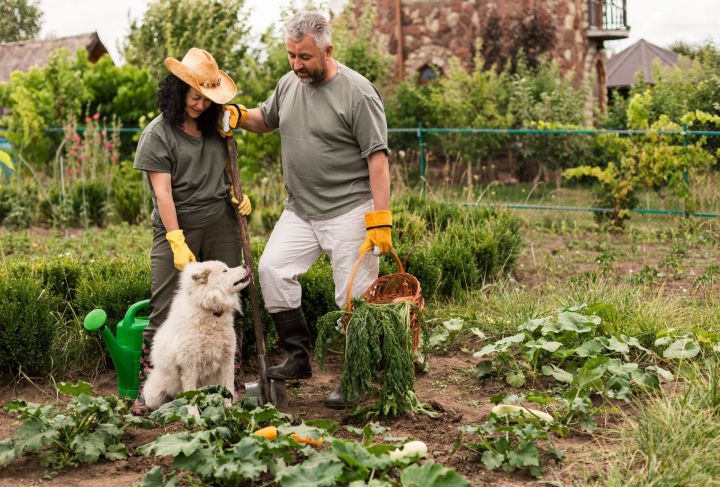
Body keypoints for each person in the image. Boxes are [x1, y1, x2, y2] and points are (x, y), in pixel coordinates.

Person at [219, 11, 392, 409]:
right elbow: (268, 119)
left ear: (328, 50)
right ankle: (298, 358)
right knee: (272, 269)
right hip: (301, 209)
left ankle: (359, 377)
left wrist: (379, 220)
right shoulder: (288, 84)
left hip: (350, 208)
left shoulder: (358, 93)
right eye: (291, 56)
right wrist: (242, 116)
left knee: (353, 298)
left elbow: (378, 159)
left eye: (305, 57)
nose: (297, 65)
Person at [133, 47, 251, 410]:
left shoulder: (217, 130)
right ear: (177, 90)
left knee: (229, 300)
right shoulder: (158, 134)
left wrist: (238, 197)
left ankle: (229, 383)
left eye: (206, 98)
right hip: (177, 225)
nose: (199, 104)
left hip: (220, 222)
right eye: (194, 96)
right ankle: (149, 388)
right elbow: (162, 194)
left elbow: (228, 171)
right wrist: (175, 238)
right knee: (164, 303)